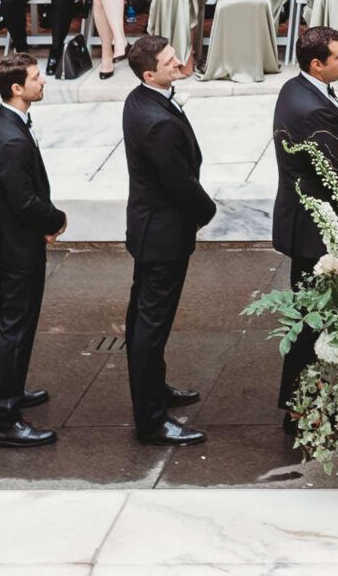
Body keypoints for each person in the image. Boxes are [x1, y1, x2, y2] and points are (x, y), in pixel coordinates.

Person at [122, 35, 216, 446]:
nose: (178, 63)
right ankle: (151, 419)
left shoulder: (138, 99)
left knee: (146, 320)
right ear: (149, 74)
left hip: (149, 227)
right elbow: (178, 182)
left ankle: (154, 390)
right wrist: (207, 211)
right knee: (150, 326)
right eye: (169, 61)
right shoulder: (157, 122)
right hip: (162, 233)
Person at [274, 25, 338, 424]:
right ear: (318, 64)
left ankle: (313, 395)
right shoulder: (310, 108)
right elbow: (328, 169)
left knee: (318, 316)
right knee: (310, 319)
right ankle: (296, 406)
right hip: (313, 229)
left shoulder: (301, 89)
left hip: (311, 219)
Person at [0, 51, 66, 450]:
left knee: (5, 321)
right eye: (36, 77)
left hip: (7, 241)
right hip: (19, 246)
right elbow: (24, 201)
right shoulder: (12, 139)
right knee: (16, 326)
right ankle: (5, 415)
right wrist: (55, 220)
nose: (42, 80)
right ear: (17, 88)